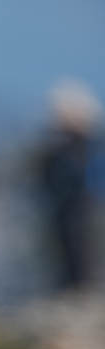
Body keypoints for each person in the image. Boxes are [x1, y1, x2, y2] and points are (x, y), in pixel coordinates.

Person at [38, 81, 103, 291]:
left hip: (79, 208)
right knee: (68, 253)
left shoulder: (84, 147)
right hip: (69, 207)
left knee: (79, 253)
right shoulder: (66, 147)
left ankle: (80, 292)